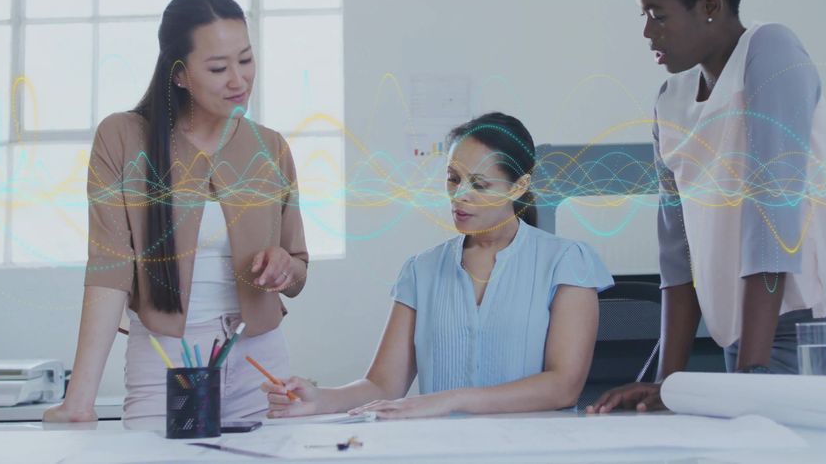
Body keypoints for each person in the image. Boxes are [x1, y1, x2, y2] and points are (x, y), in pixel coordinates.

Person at [590, 0, 826, 413]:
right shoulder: (669, 100)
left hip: (810, 327)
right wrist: (668, 385)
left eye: (657, 14)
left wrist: (750, 377)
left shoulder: (771, 52)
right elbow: (678, 258)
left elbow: (772, 218)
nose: (646, 32)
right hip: (742, 338)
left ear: (710, 6)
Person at [44, 0, 308, 422]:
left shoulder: (270, 147)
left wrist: (284, 266)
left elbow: (298, 271)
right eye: (219, 67)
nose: (239, 80)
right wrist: (80, 401)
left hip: (258, 357)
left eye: (245, 59)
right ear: (180, 74)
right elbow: (109, 271)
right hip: (167, 355)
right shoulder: (124, 138)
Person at [263, 112, 614, 419]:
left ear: (519, 186)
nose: (459, 194)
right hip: (441, 449)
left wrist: (449, 400)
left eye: (479, 184)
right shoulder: (421, 270)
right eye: (453, 177)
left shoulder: (567, 262)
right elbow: (382, 384)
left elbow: (563, 386)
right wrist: (321, 398)